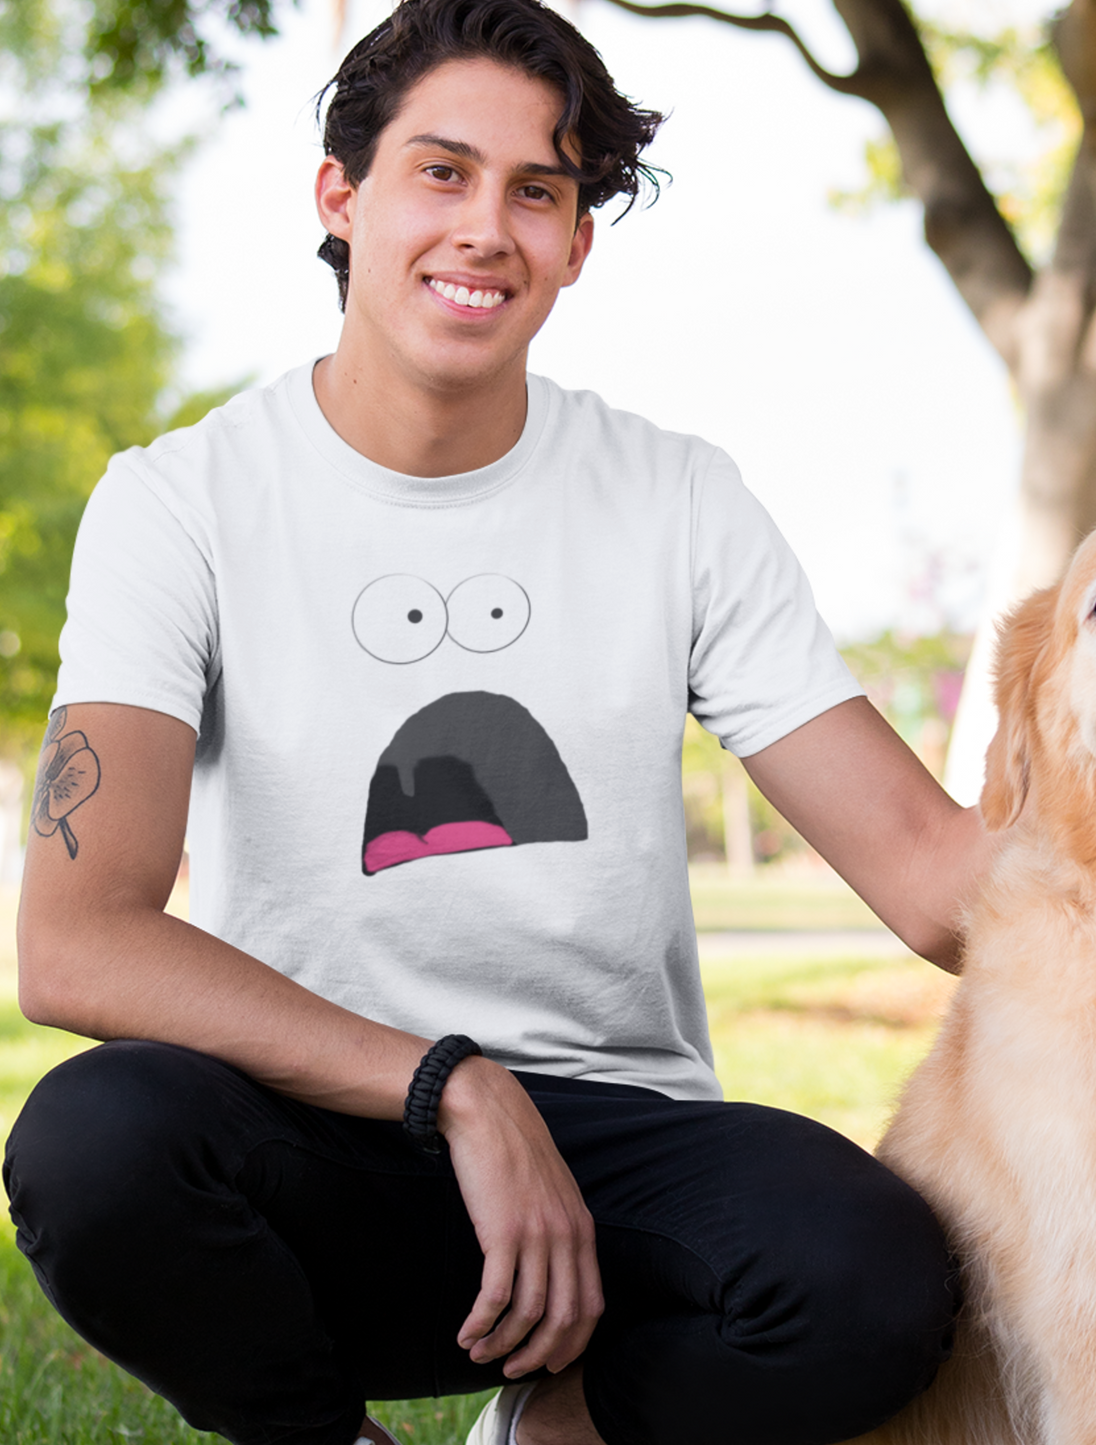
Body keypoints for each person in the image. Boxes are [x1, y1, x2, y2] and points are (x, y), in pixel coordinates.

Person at [2, 2, 992, 1443]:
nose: (489, 227)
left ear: (579, 243)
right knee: (96, 1142)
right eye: (442, 172)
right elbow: (75, 937)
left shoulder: (676, 500)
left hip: (617, 1157)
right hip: (318, 1141)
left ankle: (553, 1430)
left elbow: (931, 872)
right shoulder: (183, 501)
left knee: (874, 1273)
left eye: (540, 191)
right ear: (341, 196)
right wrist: (449, 1085)